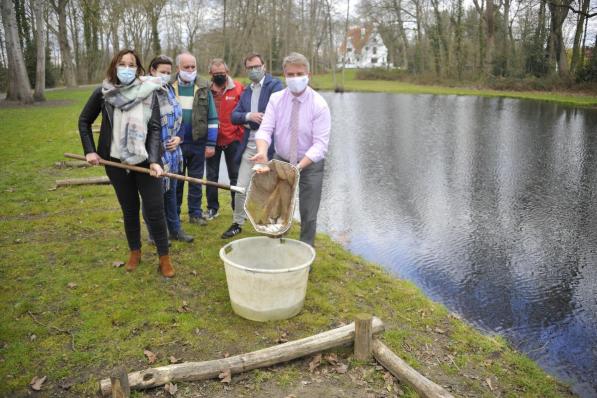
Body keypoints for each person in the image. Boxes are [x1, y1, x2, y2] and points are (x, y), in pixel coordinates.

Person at [78, 48, 175, 277]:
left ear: (138, 68)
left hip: (144, 162)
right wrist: (90, 151)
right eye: (123, 64)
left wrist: (154, 160)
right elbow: (84, 121)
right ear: (114, 66)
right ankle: (135, 252)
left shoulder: (148, 92)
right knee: (129, 209)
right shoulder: (103, 93)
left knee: (155, 209)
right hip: (115, 163)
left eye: (132, 65)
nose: (127, 69)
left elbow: (154, 129)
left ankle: (164, 257)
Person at [250, 52, 330, 247]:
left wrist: (299, 167)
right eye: (290, 74)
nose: (295, 78)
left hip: (310, 165)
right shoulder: (276, 99)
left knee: (309, 213)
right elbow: (265, 130)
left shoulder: (319, 105)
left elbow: (320, 145)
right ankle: (276, 245)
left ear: (308, 75)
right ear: (284, 76)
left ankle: (305, 250)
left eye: (299, 73)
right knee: (278, 206)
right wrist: (262, 150)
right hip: (281, 160)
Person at [221, 53, 283, 239]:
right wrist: (248, 117)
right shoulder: (247, 90)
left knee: (269, 189)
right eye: (250, 68)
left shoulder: (275, 85)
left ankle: (271, 223)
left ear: (264, 66)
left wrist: (253, 121)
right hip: (248, 147)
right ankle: (238, 222)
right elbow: (234, 116)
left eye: (257, 66)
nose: (254, 70)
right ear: (246, 69)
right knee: (240, 187)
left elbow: (274, 114)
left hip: (270, 147)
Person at [142, 55, 193, 244]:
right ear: (152, 71)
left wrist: (179, 137)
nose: (165, 75)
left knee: (171, 193)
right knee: (153, 196)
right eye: (162, 72)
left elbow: (180, 118)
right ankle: (154, 233)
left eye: (168, 72)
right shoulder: (145, 92)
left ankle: (175, 229)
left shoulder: (169, 89)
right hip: (154, 153)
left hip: (173, 152)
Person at [172, 52, 219, 226]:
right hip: (175, 144)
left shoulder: (204, 87)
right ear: (178, 68)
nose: (190, 70)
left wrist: (211, 143)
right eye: (186, 67)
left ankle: (195, 213)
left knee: (196, 181)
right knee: (175, 181)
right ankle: (174, 214)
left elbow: (213, 118)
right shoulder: (169, 86)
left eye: (193, 67)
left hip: (198, 143)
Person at [205, 58, 244, 220]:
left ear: (227, 72)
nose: (220, 76)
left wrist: (239, 132)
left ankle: (238, 209)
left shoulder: (238, 88)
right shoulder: (205, 89)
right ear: (210, 74)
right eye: (216, 73)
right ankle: (213, 208)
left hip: (233, 139)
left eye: (222, 73)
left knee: (235, 176)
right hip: (211, 141)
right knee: (211, 176)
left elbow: (244, 111)